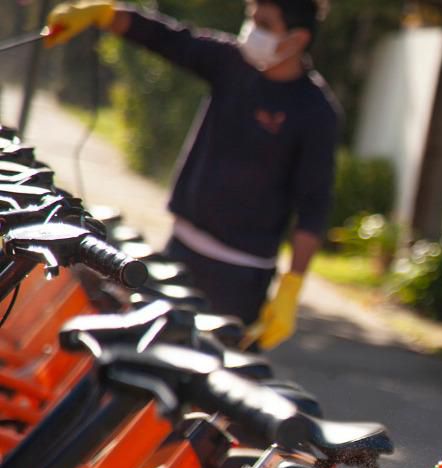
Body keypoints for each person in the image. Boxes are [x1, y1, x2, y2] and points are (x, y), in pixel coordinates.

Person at [45, 0, 339, 349]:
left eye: (265, 24)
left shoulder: (316, 112)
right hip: (179, 251)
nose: (252, 30)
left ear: (297, 39)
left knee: (197, 378)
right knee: (141, 360)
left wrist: (292, 286)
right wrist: (105, 14)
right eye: (251, 18)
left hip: (239, 278)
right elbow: (169, 38)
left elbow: (313, 207)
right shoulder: (232, 64)